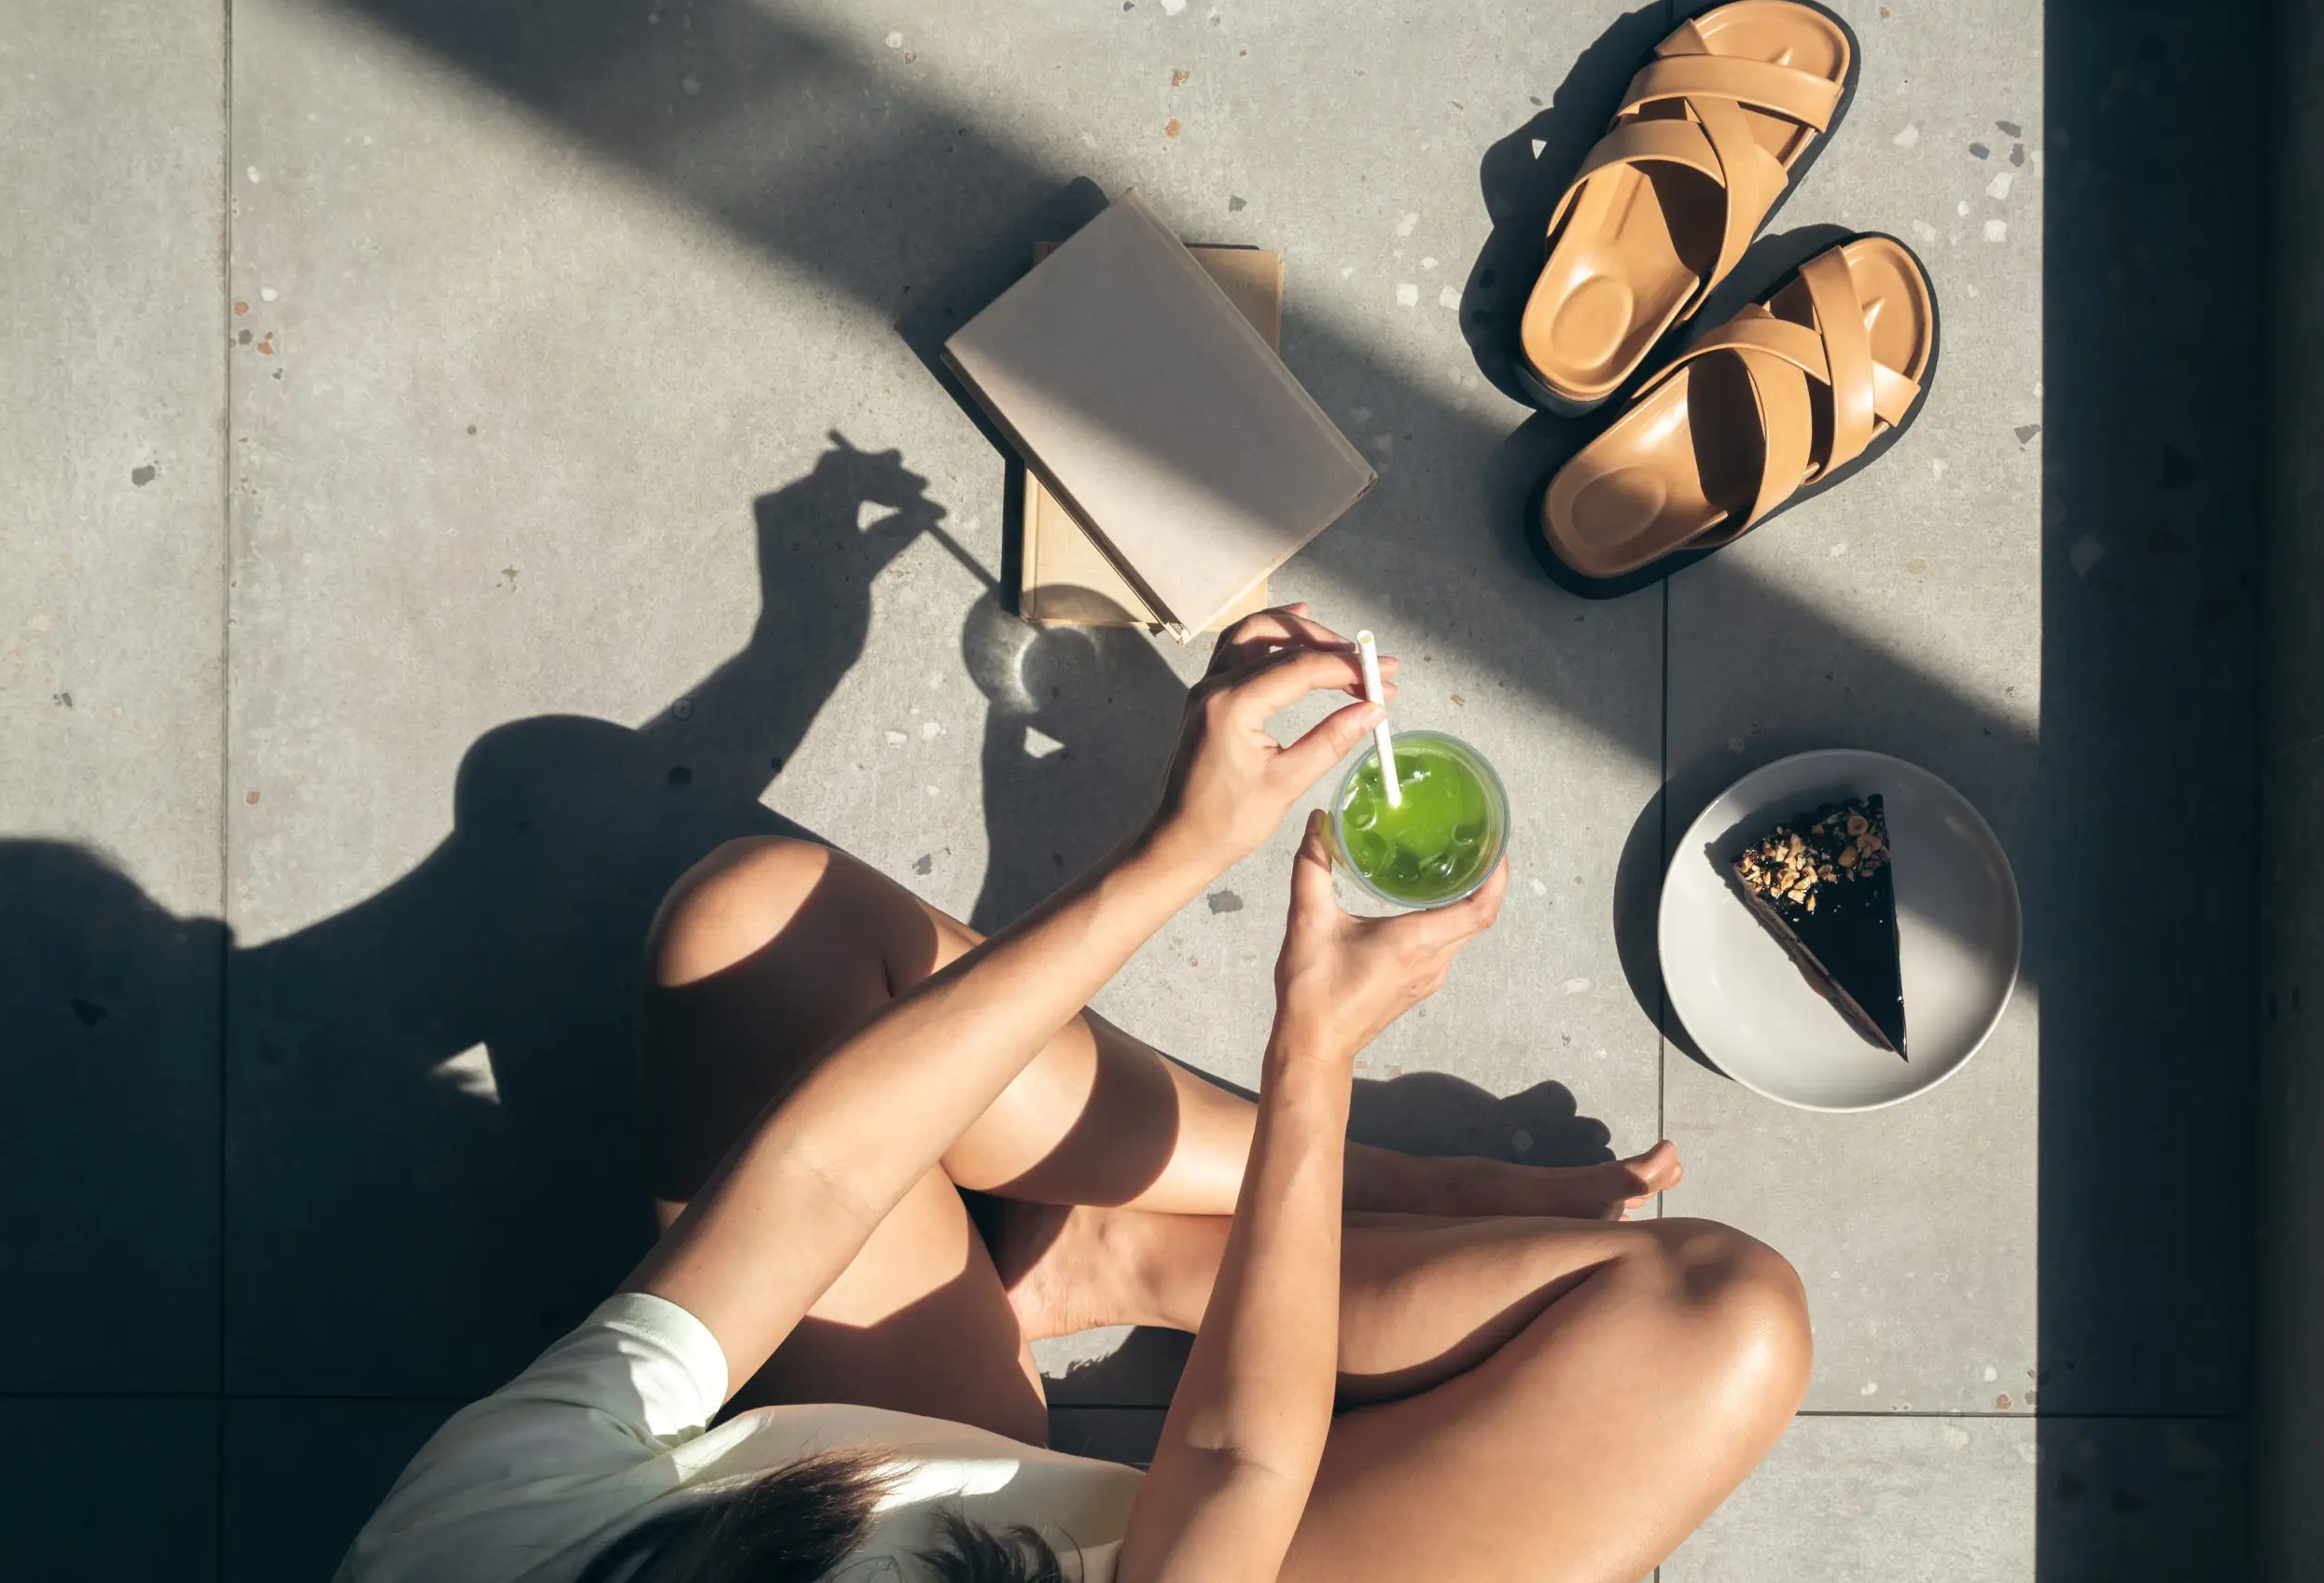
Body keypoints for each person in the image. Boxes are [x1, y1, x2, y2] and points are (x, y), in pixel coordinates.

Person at [339, 606, 1811, 1583]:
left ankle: (1229, 1222)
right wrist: (1311, 1056)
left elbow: (820, 1177)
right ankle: (1165, 1256)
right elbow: (1230, 1465)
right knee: (1721, 1317)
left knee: (759, 926)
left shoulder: (474, 1537)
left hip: (895, 1446)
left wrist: (1178, 850)